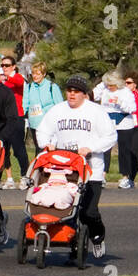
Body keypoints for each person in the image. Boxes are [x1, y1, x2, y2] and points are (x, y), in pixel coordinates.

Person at [36, 75, 117, 260]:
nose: (72, 95)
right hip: (65, 169)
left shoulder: (96, 112)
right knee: (67, 209)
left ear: (84, 94)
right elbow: (42, 131)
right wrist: (46, 144)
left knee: (88, 212)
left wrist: (91, 148)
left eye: (76, 91)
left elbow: (110, 136)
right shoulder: (57, 110)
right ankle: (74, 246)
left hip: (91, 169)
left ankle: (97, 237)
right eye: (69, 91)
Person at [0, 55, 31, 189]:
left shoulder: (17, 77)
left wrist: (6, 78)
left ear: (13, 67)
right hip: (3, 119)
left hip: (17, 117)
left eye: (7, 65)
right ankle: (9, 178)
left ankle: (25, 176)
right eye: (2, 65)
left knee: (19, 149)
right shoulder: (1, 81)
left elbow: (18, 83)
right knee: (4, 150)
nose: (4, 68)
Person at [24, 61, 63, 155]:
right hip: (34, 124)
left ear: (44, 74)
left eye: (38, 74)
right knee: (38, 149)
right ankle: (39, 168)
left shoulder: (52, 87)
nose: (35, 76)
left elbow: (60, 105)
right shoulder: (29, 87)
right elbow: (25, 104)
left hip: (49, 124)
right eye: (33, 73)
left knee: (48, 149)